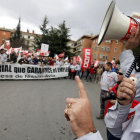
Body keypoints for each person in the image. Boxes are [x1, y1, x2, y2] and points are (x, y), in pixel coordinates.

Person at [64, 24, 140, 140]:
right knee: (104, 106)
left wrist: (87, 132)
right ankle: (102, 113)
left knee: (106, 105)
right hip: (108, 99)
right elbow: (114, 130)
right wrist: (124, 104)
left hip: (110, 94)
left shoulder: (113, 74)